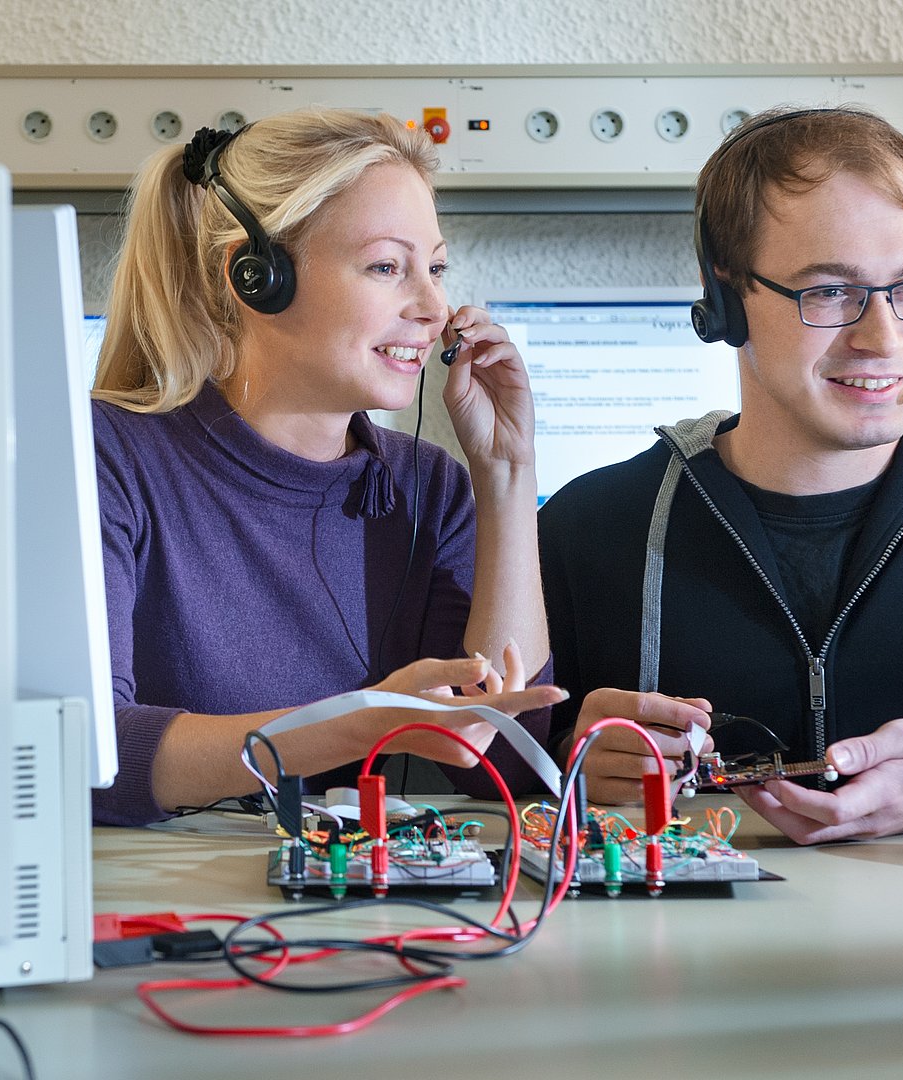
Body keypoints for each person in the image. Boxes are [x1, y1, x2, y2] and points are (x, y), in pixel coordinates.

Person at [539, 106, 903, 842]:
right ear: (727, 298)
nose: (884, 338)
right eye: (831, 292)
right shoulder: (590, 530)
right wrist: (568, 769)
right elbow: (501, 785)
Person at [91, 109, 562, 827]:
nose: (435, 308)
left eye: (435, 268)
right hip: (155, 913)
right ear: (258, 277)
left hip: (344, 907)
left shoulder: (428, 489)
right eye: (386, 267)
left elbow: (508, 760)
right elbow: (92, 755)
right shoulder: (110, 457)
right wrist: (364, 720)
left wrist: (506, 476)